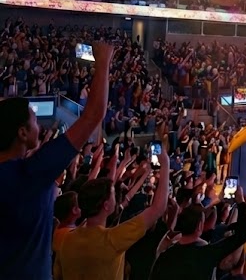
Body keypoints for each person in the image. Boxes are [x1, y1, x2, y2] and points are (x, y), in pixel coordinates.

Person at [0, 41, 113, 280]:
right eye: (33, 121)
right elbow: (93, 115)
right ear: (21, 133)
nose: (39, 125)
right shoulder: (32, 173)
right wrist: (103, 61)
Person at [54, 150, 170, 280]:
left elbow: (58, 275)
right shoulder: (112, 239)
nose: (117, 196)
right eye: (113, 194)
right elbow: (157, 209)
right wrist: (165, 164)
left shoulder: (66, 241)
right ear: (106, 205)